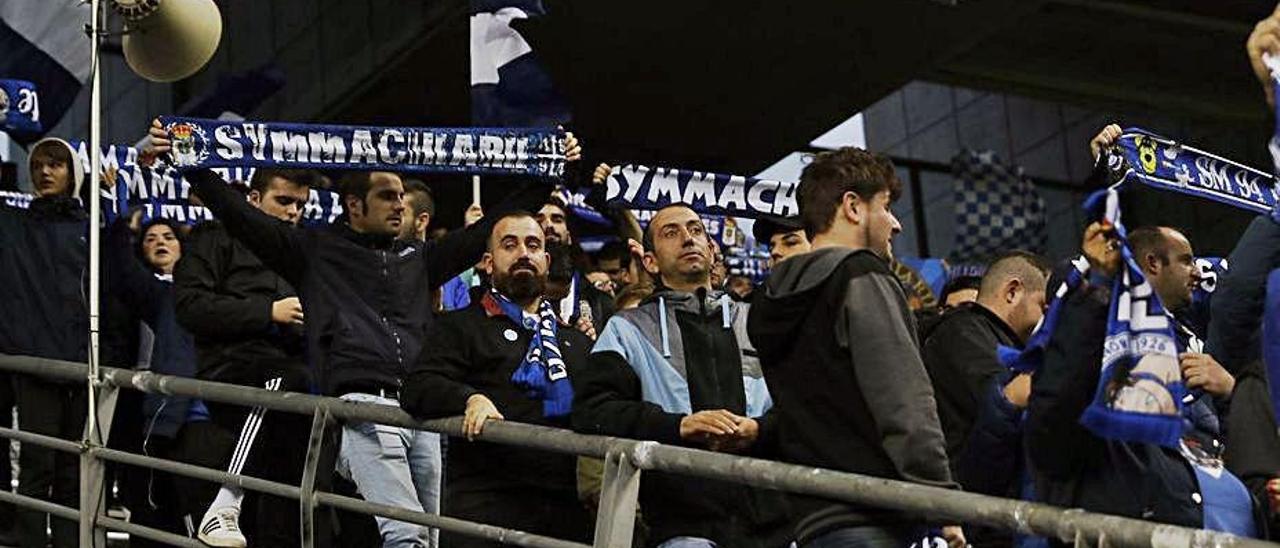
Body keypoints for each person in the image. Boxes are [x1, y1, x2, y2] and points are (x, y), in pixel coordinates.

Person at [150, 119, 582, 548]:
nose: (401, 205)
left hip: (421, 413)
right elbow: (239, 215)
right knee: (405, 536)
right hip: (361, 407)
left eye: (402, 196)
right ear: (354, 206)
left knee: (428, 540)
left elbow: (483, 230)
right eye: (387, 196)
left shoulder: (419, 259)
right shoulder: (314, 253)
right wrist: (186, 156)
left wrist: (550, 170)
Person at [747, 147, 963, 548]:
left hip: (812, 522)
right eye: (886, 206)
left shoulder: (766, 302)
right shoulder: (862, 276)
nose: (895, 224)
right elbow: (905, 403)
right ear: (852, 206)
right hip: (873, 514)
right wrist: (942, 501)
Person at [573, 203, 790, 548]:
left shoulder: (760, 322)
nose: (688, 239)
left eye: (696, 230)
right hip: (684, 530)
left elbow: (801, 408)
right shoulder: (627, 329)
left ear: (711, 248)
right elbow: (593, 411)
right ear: (650, 262)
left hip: (775, 527)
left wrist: (760, 430)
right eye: (670, 233)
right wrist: (677, 426)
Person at [401, 212, 595, 547]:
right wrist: (468, 398)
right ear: (488, 263)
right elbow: (418, 387)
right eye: (510, 244)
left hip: (565, 512)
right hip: (485, 508)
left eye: (533, 245)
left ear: (546, 261)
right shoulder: (460, 326)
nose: (523, 253)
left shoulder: (576, 342)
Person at [171, 166, 316, 548]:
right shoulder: (214, 238)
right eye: (283, 201)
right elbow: (190, 306)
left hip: (293, 369)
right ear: (253, 199)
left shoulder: (301, 254)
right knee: (287, 382)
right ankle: (226, 501)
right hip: (230, 366)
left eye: (301, 204)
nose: (292, 212)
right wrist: (268, 312)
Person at [0, 137, 90, 548]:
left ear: (74, 172)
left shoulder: (92, 229)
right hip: (36, 365)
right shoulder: (15, 227)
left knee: (74, 471)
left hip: (82, 367)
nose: (45, 171)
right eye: (37, 164)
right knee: (37, 466)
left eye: (56, 164)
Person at [922, 251, 1049, 461]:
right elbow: (996, 402)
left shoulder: (985, 334)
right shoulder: (962, 332)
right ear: (1012, 292)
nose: (1045, 317)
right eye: (1042, 306)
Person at [536, 198, 615, 333]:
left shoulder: (601, 303)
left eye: (557, 219)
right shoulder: (514, 298)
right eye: (539, 221)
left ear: (569, 236)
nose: (548, 225)